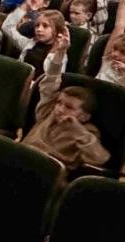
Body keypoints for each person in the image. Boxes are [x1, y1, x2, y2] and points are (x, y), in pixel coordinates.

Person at [23, 38, 110, 176]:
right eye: (59, 102)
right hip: (21, 159)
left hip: (46, 175)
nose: (60, 109)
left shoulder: (86, 132)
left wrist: (79, 132)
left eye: (69, 107)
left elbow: (100, 158)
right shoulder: (47, 112)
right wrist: (60, 52)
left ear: (84, 116)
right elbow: (50, 82)